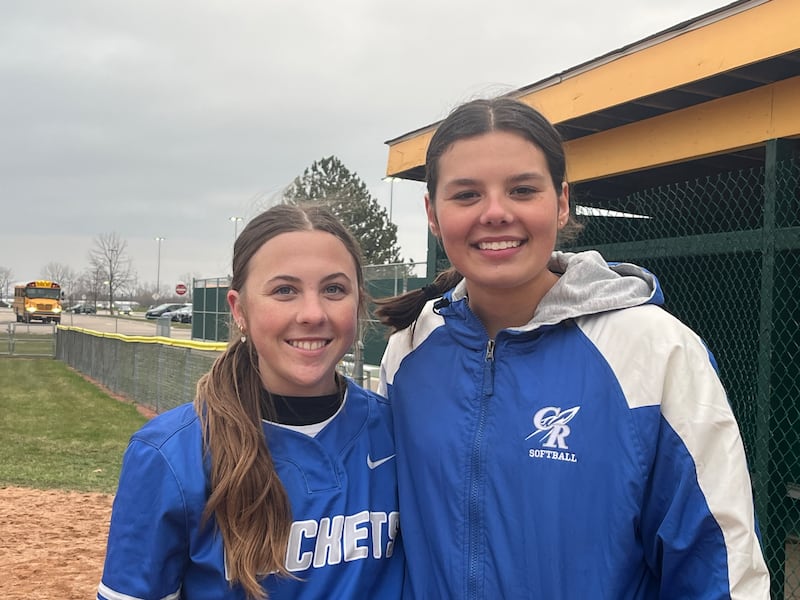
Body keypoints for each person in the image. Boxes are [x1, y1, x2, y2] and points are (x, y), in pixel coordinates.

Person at [375, 97, 769, 599]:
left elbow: (718, 565)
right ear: (432, 213)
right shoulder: (409, 350)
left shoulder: (655, 349)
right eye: (466, 195)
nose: (495, 213)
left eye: (522, 190)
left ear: (561, 203)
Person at [99, 204, 404, 600]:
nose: (312, 313)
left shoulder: (399, 432)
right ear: (239, 309)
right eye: (284, 290)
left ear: (357, 304)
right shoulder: (170, 454)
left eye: (334, 289)